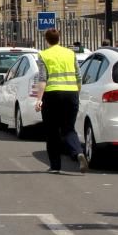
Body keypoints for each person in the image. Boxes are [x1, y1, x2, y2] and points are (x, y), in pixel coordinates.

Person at [34, 28, 88, 174]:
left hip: (52, 95)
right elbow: (78, 75)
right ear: (59, 39)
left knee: (52, 131)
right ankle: (78, 153)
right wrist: (77, 92)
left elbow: (43, 78)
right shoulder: (70, 53)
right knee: (69, 128)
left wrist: (39, 99)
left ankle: (55, 166)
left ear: (46, 40)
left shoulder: (43, 55)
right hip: (71, 94)